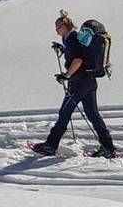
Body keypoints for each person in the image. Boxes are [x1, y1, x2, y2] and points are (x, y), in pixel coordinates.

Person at [31, 11, 116, 158]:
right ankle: (108, 148)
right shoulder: (76, 38)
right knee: (93, 115)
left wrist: (66, 75)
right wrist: (63, 49)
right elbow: (81, 55)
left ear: (64, 25)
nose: (57, 32)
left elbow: (78, 60)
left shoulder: (71, 38)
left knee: (64, 113)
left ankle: (50, 146)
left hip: (78, 84)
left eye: (58, 28)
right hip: (89, 82)